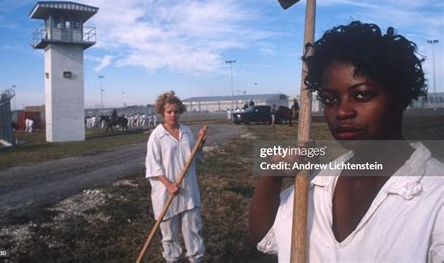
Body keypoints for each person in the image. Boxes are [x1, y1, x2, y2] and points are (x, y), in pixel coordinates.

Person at [249, 21, 443, 262]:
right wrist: (273, 173)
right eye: (330, 99)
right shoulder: (317, 183)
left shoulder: (436, 196)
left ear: (400, 98)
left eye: (362, 95)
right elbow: (265, 235)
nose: (341, 112)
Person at [145, 91, 206, 262]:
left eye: (176, 111)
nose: (173, 115)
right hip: (167, 193)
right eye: (169, 111)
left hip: (188, 191)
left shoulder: (186, 131)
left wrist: (200, 144)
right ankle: (172, 259)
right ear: (162, 113)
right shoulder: (156, 136)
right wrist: (169, 184)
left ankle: (196, 259)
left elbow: (194, 155)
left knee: (194, 229)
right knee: (169, 236)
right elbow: (153, 166)